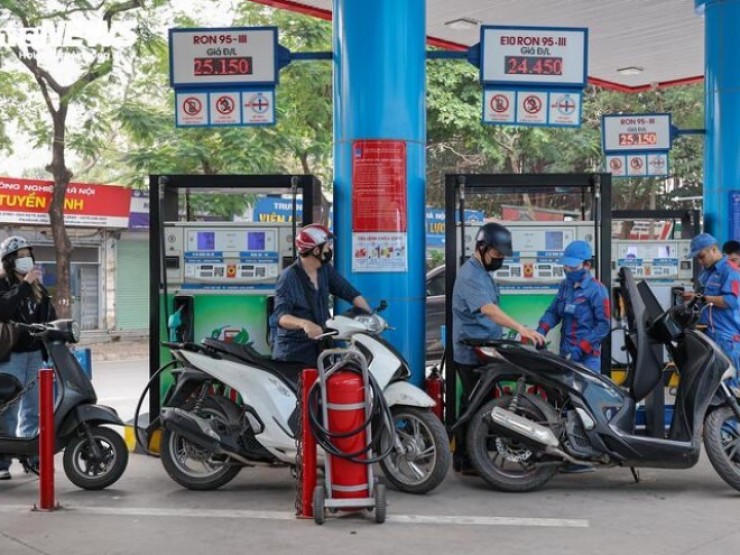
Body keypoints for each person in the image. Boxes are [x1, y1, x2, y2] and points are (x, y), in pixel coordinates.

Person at [452, 222, 545, 473]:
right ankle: (466, 460)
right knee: (474, 406)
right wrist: (520, 328)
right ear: (482, 248)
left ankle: (471, 457)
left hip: (484, 348)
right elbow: (489, 310)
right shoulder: (470, 275)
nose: (500, 259)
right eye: (497, 253)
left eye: (503, 255)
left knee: (479, 403)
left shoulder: (482, 272)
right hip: (471, 352)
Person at [270, 224, 371, 366]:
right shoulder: (288, 277)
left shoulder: (325, 270)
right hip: (293, 354)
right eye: (327, 246)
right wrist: (304, 324)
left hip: (321, 350)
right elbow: (281, 317)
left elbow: (350, 293)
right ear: (316, 250)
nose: (330, 249)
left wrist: (369, 318)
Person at [0, 235, 56, 480]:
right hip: (10, 355)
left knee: (33, 410)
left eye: (28, 255)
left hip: (34, 354)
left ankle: (31, 458)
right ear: (10, 261)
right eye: (21, 256)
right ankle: (2, 463)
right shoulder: (4, 284)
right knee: (8, 411)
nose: (27, 260)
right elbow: (3, 311)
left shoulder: (37, 287)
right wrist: (24, 286)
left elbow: (48, 317)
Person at [535, 240, 611, 373]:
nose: (568, 270)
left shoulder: (597, 290)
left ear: (587, 265)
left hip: (587, 359)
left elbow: (603, 326)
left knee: (586, 387)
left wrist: (581, 348)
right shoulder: (565, 285)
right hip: (565, 354)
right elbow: (554, 312)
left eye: (573, 267)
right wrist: (541, 331)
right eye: (566, 266)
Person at [683, 233, 740, 391]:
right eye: (697, 259)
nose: (700, 262)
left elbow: (731, 301)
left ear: (713, 249)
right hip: (709, 335)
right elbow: (703, 298)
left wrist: (701, 298)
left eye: (702, 257)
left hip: (727, 338)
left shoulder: (730, 270)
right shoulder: (705, 273)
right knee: (713, 389)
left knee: (730, 390)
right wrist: (693, 298)